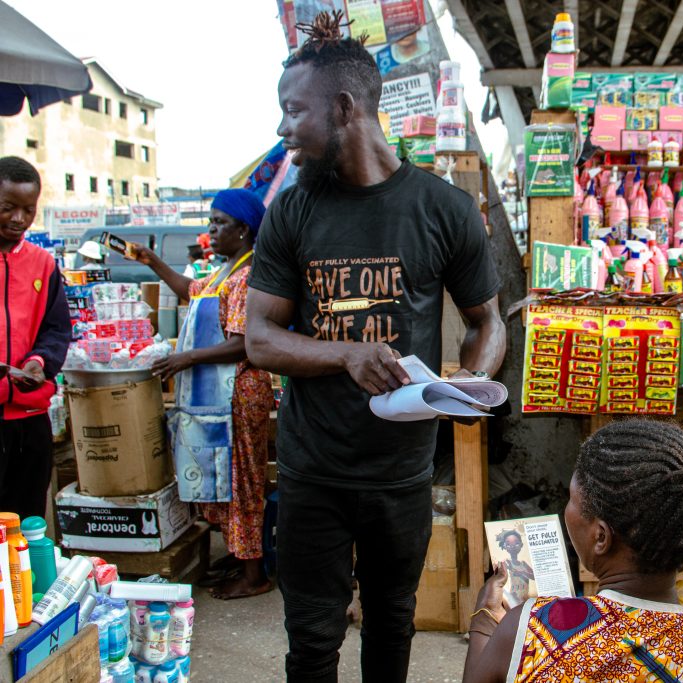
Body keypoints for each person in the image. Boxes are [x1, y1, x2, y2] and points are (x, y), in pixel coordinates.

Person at [244, 13, 506, 682]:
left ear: (343, 107)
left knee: (392, 625)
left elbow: (488, 321)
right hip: (312, 473)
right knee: (312, 639)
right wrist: (345, 354)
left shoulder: (443, 208)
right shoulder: (292, 211)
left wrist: (467, 387)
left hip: (400, 475)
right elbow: (260, 337)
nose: (281, 130)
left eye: (292, 111)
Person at [463, 420, 683, 683]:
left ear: (601, 537)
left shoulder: (532, 628)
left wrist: (483, 622)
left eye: (572, 498)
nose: (566, 509)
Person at [131, 188, 274, 600]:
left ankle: (254, 575)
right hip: (218, 396)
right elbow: (191, 291)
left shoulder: (249, 275)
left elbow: (243, 343)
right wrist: (152, 261)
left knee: (241, 481)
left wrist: (186, 358)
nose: (211, 231)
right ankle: (240, 554)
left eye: (218, 223)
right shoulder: (224, 271)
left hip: (239, 394)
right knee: (222, 479)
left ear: (243, 229)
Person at [0, 156, 72, 519]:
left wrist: (39, 362)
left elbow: (57, 329)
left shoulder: (42, 264)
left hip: (30, 418)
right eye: (8, 208)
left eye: (28, 210)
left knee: (26, 521)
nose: (19, 219)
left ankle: (19, 579)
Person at [495, 529, 534, 605]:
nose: (512, 546)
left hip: (525, 596)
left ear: (521, 545)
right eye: (508, 544)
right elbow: (499, 578)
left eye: (516, 543)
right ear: (505, 546)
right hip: (514, 596)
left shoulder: (523, 564)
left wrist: (522, 573)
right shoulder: (506, 562)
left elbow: (534, 577)